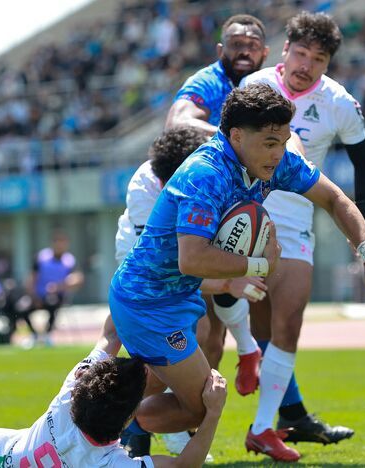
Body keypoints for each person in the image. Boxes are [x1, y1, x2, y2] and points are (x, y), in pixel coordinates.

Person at [110, 84, 365, 463]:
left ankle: (93, 419)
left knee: (146, 387)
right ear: (236, 136)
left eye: (284, 142)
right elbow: (191, 259)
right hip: (148, 301)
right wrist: (262, 264)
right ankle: (100, 426)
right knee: (202, 404)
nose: (279, 153)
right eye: (270, 143)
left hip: (176, 297)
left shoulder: (272, 163)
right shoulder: (207, 174)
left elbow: (334, 198)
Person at [238, 12, 365, 459]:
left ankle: (264, 427)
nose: (307, 65)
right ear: (285, 50)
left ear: (328, 63)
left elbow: (364, 165)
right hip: (247, 216)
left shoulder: (339, 102)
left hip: (297, 219)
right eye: (301, 53)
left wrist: (361, 233)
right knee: (258, 325)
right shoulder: (254, 85)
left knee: (290, 321)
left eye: (318, 59)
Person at [110, 126, 267, 459]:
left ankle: (122, 421)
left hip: (183, 268)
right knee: (191, 340)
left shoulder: (207, 176)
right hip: (143, 272)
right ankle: (126, 424)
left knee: (207, 342)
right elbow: (170, 266)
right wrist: (231, 280)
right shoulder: (144, 190)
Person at [0, 344, 228, 467]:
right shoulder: (109, 464)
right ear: (130, 418)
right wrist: (212, 412)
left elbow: (110, 333)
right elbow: (184, 465)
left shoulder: (66, 400)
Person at [164, 13, 270, 396]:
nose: (244, 52)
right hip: (200, 207)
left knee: (216, 333)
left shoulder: (267, 86)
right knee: (196, 326)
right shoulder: (208, 81)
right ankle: (175, 413)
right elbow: (178, 122)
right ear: (221, 49)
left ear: (264, 52)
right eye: (236, 45)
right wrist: (236, 140)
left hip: (241, 208)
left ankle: (200, 414)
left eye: (251, 46)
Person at [24, 232, 84, 346]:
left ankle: (47, 335)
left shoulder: (69, 260)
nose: (59, 246)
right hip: (38, 295)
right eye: (57, 242)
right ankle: (34, 335)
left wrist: (60, 286)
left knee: (53, 302)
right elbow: (32, 277)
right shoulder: (42, 257)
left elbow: (78, 278)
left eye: (62, 243)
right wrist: (33, 296)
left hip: (57, 295)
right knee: (21, 308)